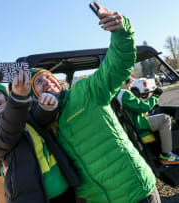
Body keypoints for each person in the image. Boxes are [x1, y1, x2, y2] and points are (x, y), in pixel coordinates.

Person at [30, 8, 160, 203]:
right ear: (34, 95)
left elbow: (118, 66)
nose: (47, 81)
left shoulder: (85, 92)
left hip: (136, 192)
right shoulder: (41, 124)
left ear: (57, 82)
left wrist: (122, 31)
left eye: (49, 77)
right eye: (38, 82)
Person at [0, 72, 78, 203]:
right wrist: (18, 98)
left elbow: (39, 115)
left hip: (65, 189)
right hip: (34, 197)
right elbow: (6, 133)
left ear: (5, 96)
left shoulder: (25, 111)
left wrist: (47, 106)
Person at [117, 77, 179, 164]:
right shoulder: (123, 93)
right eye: (130, 85)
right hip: (139, 124)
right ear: (125, 83)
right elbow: (143, 107)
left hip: (134, 123)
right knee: (165, 119)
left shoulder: (116, 94)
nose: (130, 87)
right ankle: (166, 155)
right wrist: (155, 96)